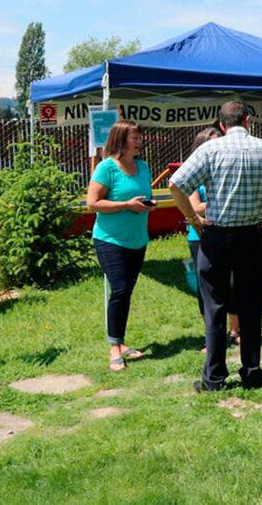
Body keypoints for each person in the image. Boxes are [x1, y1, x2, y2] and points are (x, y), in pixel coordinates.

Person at [170, 102, 262, 392]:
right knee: (250, 305)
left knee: (215, 307)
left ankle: (214, 377)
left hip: (216, 236)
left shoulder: (208, 150)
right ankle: (252, 372)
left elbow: (175, 185)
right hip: (252, 236)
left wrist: (193, 219)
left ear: (221, 125)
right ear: (247, 120)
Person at [86, 120, 153, 372]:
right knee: (120, 289)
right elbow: (92, 203)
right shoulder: (106, 168)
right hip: (110, 240)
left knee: (127, 291)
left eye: (139, 136)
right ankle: (114, 348)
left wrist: (146, 204)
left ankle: (121, 342)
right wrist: (126, 205)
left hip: (137, 239)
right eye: (135, 137)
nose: (140, 140)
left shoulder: (143, 167)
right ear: (122, 140)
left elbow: (140, 195)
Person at [186, 127, 239, 354]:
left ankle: (236, 331)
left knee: (233, 283)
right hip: (200, 236)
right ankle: (212, 336)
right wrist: (226, 199)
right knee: (208, 288)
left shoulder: (229, 168)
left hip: (230, 231)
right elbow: (194, 206)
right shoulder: (193, 172)